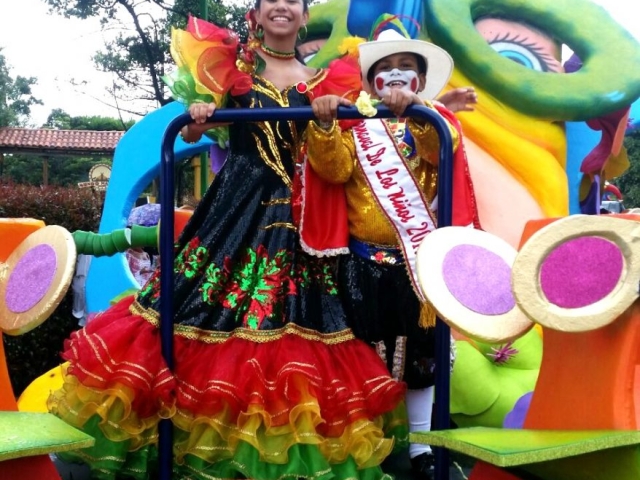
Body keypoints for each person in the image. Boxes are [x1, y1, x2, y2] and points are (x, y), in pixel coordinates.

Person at [47, 2, 406, 479]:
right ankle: (190, 448)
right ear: (255, 15)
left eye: (292, 2)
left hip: (305, 222)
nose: (281, 7)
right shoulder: (230, 70)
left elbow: (344, 151)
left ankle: (282, 455)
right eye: (270, 0)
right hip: (233, 215)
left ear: (303, 17)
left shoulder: (328, 80)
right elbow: (196, 129)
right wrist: (198, 116)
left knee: (302, 330)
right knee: (196, 313)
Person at [306, 26, 480, 480]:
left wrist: (422, 114)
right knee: (364, 356)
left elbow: (440, 154)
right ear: (368, 82)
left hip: (417, 264)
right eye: (384, 69)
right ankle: (369, 445)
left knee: (422, 357)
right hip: (362, 264)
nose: (396, 74)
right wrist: (324, 124)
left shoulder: (438, 121)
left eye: (405, 67)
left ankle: (422, 449)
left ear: (420, 81)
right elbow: (334, 169)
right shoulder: (355, 123)